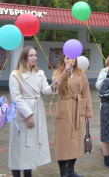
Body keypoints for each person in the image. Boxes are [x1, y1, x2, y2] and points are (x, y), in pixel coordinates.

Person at [8, 46, 60, 177]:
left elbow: (44, 90)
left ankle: (28, 173)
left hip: (37, 111)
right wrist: (28, 115)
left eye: (35, 55)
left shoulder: (39, 73)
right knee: (19, 148)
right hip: (22, 114)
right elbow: (16, 97)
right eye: (31, 55)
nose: (34, 58)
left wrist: (53, 87)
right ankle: (16, 174)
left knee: (31, 148)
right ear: (24, 57)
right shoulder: (16, 74)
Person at [52, 54, 93, 177]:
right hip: (64, 108)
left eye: (73, 58)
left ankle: (71, 169)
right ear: (63, 59)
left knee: (76, 139)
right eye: (68, 58)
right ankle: (63, 171)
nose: (71, 61)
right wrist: (66, 72)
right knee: (64, 141)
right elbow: (60, 89)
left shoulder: (80, 73)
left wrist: (88, 111)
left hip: (78, 108)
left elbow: (86, 93)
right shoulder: (58, 73)